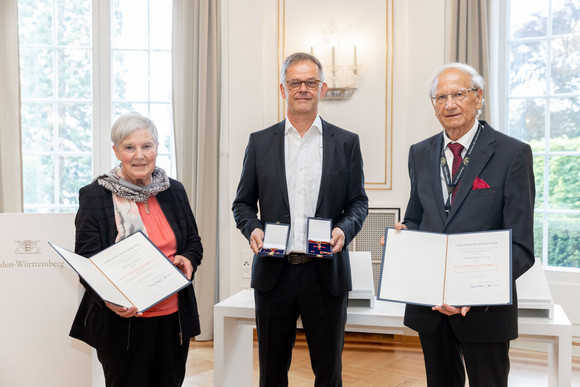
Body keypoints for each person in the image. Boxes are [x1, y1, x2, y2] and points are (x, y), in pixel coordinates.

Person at [390, 63, 535, 387]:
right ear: (433, 104)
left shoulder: (512, 154)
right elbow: (416, 217)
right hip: (430, 307)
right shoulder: (420, 153)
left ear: (478, 97)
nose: (450, 104)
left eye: (459, 94)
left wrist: (472, 291)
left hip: (484, 312)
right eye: (441, 97)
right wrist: (404, 237)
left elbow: (521, 246)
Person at [232, 52, 368, 386]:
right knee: (272, 371)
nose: (302, 88)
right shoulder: (260, 142)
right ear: (283, 89)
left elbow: (358, 203)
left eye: (310, 82)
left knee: (328, 372)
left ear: (322, 88)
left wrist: (344, 229)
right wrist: (253, 229)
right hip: (274, 275)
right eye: (295, 82)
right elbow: (243, 204)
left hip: (326, 274)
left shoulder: (346, 143)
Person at [69, 112, 203, 387]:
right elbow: (86, 259)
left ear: (156, 147)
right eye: (129, 147)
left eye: (146, 146)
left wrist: (188, 259)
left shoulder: (173, 190)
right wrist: (109, 298)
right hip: (123, 320)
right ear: (116, 150)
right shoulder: (95, 196)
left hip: (172, 317)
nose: (139, 155)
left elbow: (193, 242)